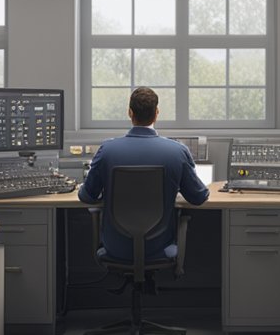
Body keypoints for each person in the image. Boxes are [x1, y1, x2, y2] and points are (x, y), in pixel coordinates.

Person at [78, 87, 209, 261]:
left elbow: (87, 195)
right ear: (157, 113)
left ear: (130, 113)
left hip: (117, 248)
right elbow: (198, 197)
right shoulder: (177, 151)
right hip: (160, 248)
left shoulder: (107, 150)